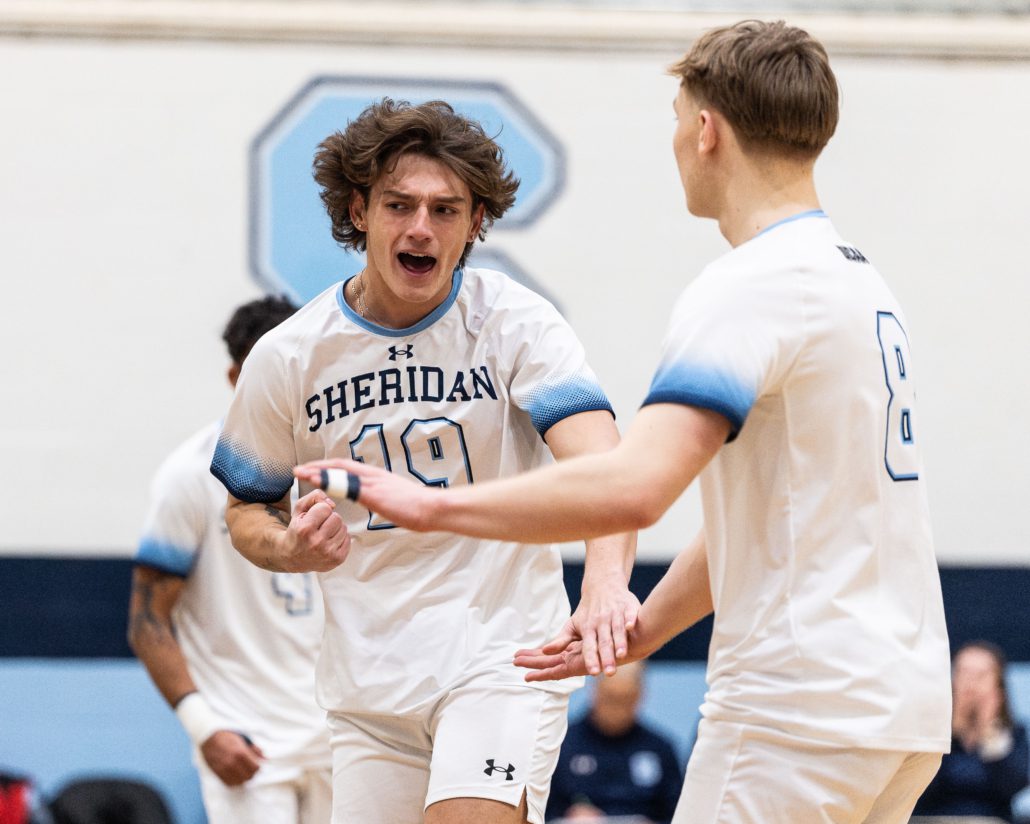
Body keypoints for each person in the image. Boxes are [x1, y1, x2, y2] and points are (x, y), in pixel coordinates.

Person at [308, 20, 954, 823]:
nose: (678, 138)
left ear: (707, 131)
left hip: (796, 707)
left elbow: (635, 486)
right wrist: (639, 630)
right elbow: (757, 526)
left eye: (679, 117)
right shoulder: (864, 284)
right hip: (905, 709)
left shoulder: (748, 284)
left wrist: (432, 505)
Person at [210, 99, 638, 824]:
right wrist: (289, 546)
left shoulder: (514, 323)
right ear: (359, 212)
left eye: (445, 210)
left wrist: (603, 587)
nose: (420, 227)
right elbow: (246, 507)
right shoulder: (290, 354)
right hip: (369, 689)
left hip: (500, 658)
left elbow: (605, 468)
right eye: (399, 205)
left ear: (476, 223)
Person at [128, 296, 333, 824]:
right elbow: (147, 620)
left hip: (341, 724)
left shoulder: (345, 460)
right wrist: (203, 727)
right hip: (248, 737)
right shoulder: (190, 476)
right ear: (235, 375)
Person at [546, 662, 681, 824]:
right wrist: (568, 816)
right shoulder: (561, 744)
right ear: (594, 691)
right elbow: (539, 810)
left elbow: (679, 814)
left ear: (640, 696)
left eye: (626, 699)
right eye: (610, 698)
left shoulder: (660, 749)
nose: (617, 708)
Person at [914, 641, 1030, 822]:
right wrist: (949, 732)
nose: (971, 683)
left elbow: (1011, 787)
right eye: (964, 672)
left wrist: (988, 734)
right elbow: (919, 788)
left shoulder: (1013, 734)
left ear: (998, 684)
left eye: (981, 675)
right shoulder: (929, 730)